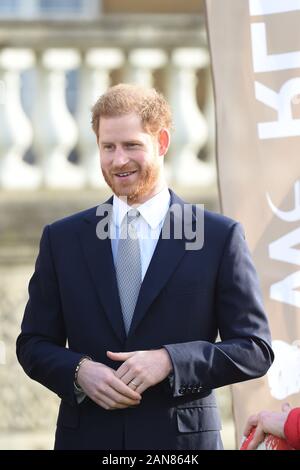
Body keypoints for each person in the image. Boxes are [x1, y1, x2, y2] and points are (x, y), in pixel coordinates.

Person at [17, 83, 274, 450]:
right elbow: (33, 343)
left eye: (132, 145)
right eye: (108, 147)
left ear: (163, 142)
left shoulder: (218, 237)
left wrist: (170, 360)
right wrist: (78, 371)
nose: (118, 160)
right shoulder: (62, 239)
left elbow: (254, 349)